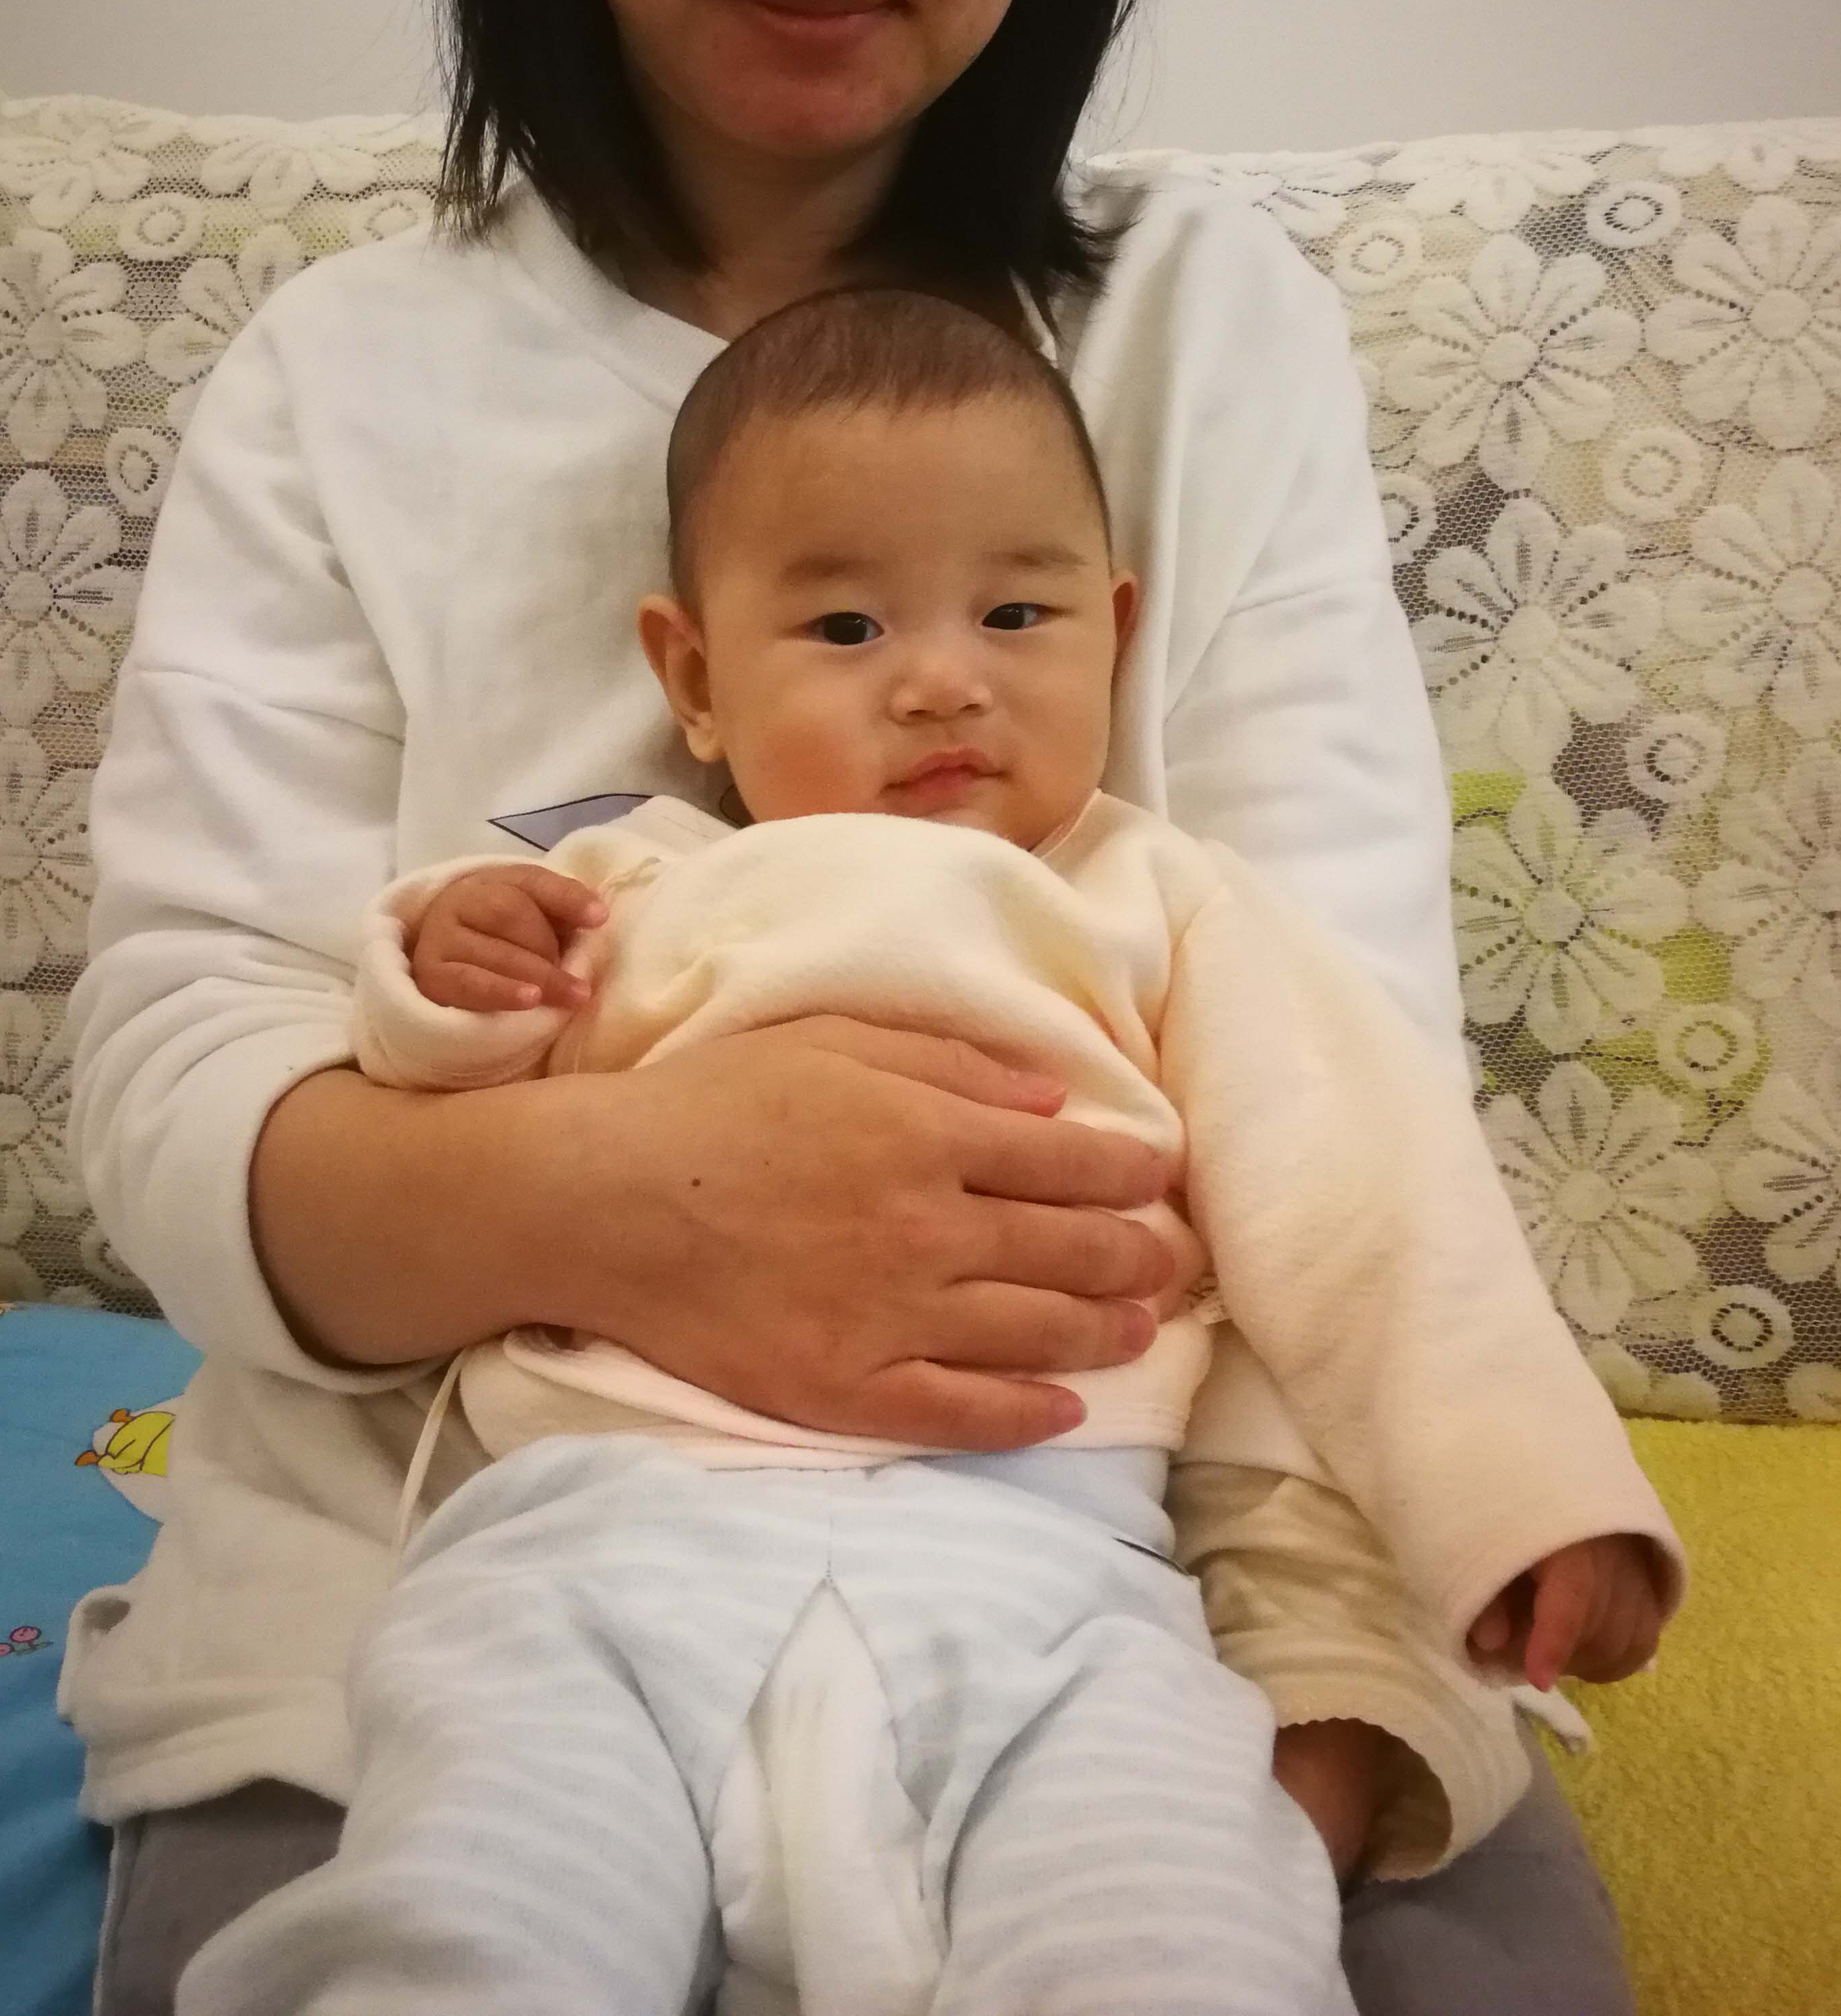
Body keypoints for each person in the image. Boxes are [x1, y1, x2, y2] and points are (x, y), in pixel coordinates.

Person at [61, 0, 1649, 2008]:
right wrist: (647, 1197)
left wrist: (1303, 1712)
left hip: (1128, 1585)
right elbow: (188, 1089)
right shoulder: (346, 376)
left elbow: (1344, 1094)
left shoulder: (1204, 336)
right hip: (435, 1592)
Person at [171, 290, 1679, 2016]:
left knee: (1181, 1933)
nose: (945, 677)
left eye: (1018, 612)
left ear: (1114, 632)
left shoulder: (1163, 906)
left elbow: (1371, 1194)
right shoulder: (630, 882)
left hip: (1053, 1574)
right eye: (845, 625)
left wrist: (1525, 1494)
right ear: (696, 681)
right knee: (475, 1918)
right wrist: (445, 974)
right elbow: (432, 1102)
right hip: (593, 1553)